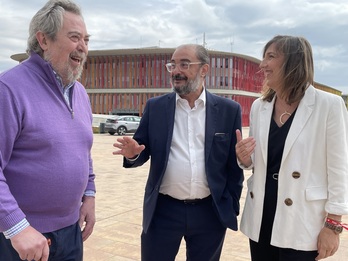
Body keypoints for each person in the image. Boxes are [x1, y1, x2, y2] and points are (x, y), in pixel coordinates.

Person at [113, 44, 244, 261]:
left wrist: (231, 205)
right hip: (163, 211)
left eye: (184, 64)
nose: (176, 71)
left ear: (204, 70)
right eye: (172, 65)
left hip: (209, 213)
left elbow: (233, 165)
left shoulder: (229, 110)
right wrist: (132, 154)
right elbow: (141, 149)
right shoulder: (156, 108)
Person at [235, 35, 348, 261]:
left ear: (293, 61)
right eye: (263, 57)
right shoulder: (260, 106)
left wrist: (333, 225)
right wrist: (245, 158)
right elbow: (259, 161)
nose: (262, 65)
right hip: (262, 218)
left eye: (271, 56)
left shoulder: (328, 105)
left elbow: (339, 169)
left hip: (302, 221)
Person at [0, 1, 96, 260]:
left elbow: (83, 150)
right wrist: (16, 227)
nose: (83, 47)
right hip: (20, 239)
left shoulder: (80, 93)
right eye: (74, 37)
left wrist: (89, 194)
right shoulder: (8, 89)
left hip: (70, 232)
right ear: (43, 40)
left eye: (86, 39)